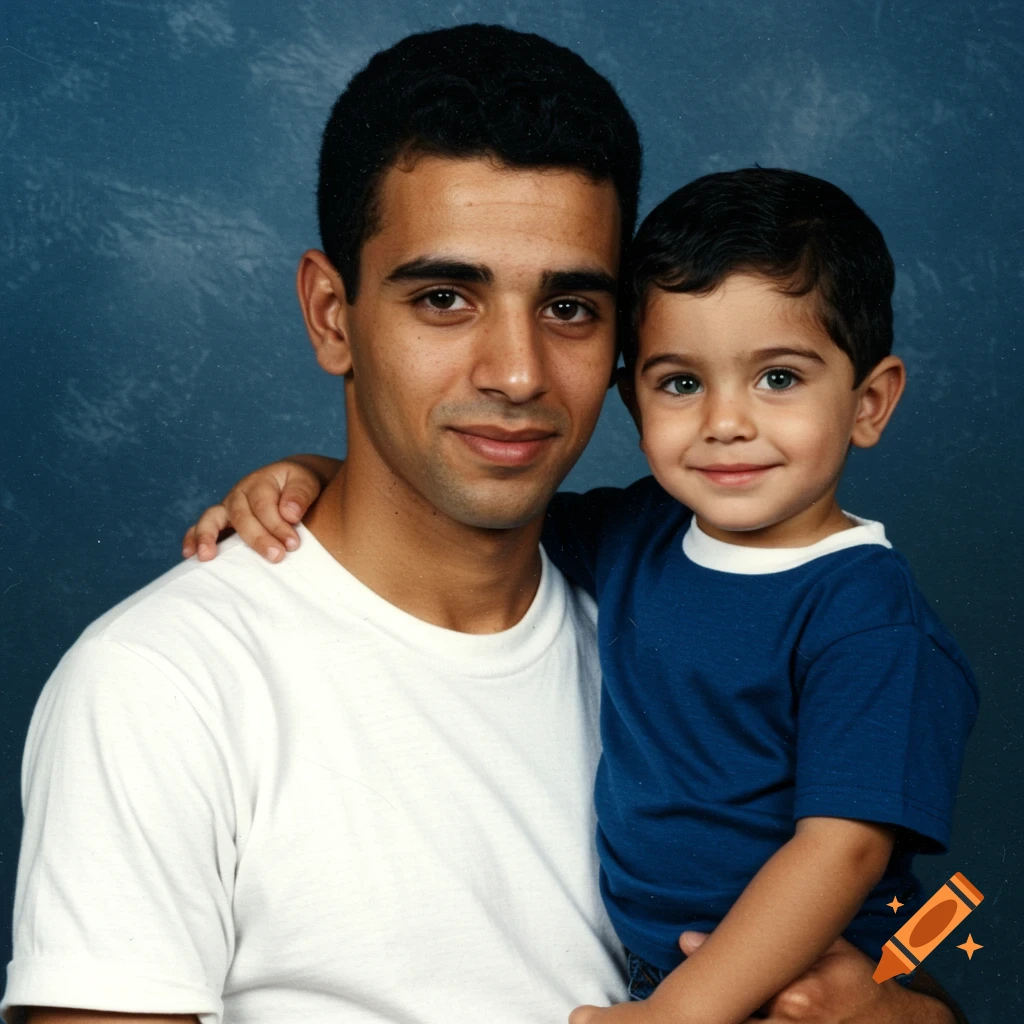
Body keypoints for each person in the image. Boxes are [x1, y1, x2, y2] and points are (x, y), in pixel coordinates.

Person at [3, 23, 965, 1024]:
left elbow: (876, 934)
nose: (514, 373)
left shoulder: (666, 599)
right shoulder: (164, 684)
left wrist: (911, 1013)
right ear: (333, 315)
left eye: (570, 309)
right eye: (445, 297)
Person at [184, 171, 979, 1023]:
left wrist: (686, 1013)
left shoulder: (869, 618)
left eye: (778, 379)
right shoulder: (641, 531)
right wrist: (321, 475)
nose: (726, 422)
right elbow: (450, 509)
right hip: (655, 966)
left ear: (870, 402)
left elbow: (846, 851)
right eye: (681, 382)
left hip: (808, 969)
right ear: (633, 402)